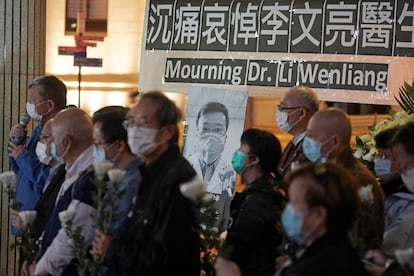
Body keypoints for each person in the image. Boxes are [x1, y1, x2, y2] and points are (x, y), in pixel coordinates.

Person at [91, 91, 200, 275]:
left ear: (167, 132)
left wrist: (112, 249)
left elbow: (166, 256)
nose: (133, 130)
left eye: (142, 122)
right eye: (131, 122)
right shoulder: (149, 172)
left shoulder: (177, 178)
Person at [303, 108, 385, 255]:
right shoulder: (325, 172)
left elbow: (358, 237)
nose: (306, 141)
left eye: (311, 135)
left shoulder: (358, 181)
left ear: (334, 141)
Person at [31, 108, 96, 275]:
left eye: (51, 140)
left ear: (66, 143)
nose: (47, 149)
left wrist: (40, 269)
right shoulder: (72, 170)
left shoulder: (91, 176)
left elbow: (71, 237)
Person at [275, 161, 369, 276]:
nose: (288, 209)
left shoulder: (312, 269)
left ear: (318, 215)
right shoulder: (341, 252)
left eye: (293, 203)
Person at [215, 128, 286, 276]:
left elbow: (235, 251)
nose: (236, 153)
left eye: (241, 149)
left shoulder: (256, 201)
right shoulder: (270, 189)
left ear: (254, 160)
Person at [8, 75, 67, 234]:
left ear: (49, 105)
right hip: (25, 215)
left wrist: (23, 156)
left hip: (39, 219)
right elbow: (19, 169)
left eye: (32, 100)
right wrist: (17, 144)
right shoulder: (38, 130)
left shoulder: (59, 134)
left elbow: (50, 177)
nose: (29, 105)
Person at [186, 101, 235, 232]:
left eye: (218, 130)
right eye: (205, 129)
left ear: (225, 137)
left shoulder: (232, 172)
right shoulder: (184, 167)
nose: (211, 135)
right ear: (197, 134)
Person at [276, 86, 319, 179]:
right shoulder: (294, 143)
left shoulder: (312, 150)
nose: (279, 112)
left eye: (283, 107)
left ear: (301, 113)